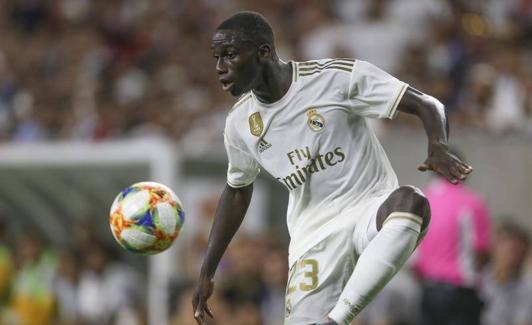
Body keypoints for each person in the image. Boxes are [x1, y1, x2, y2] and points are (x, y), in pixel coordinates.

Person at [192, 11, 472, 325]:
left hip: (368, 207)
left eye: (229, 55)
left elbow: (428, 104)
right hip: (313, 238)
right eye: (217, 57)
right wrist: (207, 270)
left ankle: (336, 320)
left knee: (412, 202)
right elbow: (237, 190)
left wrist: (438, 145)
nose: (220, 68)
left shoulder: (334, 78)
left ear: (264, 52)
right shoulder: (239, 123)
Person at [414, 159, 491, 325]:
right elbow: (481, 252)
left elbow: (413, 260)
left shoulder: (421, 201)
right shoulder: (471, 202)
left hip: (428, 291)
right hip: (461, 293)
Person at [480, 221, 532, 325]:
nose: (515, 258)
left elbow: (522, 321)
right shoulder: (476, 279)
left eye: (520, 252)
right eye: (511, 251)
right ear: (495, 248)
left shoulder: (526, 289)